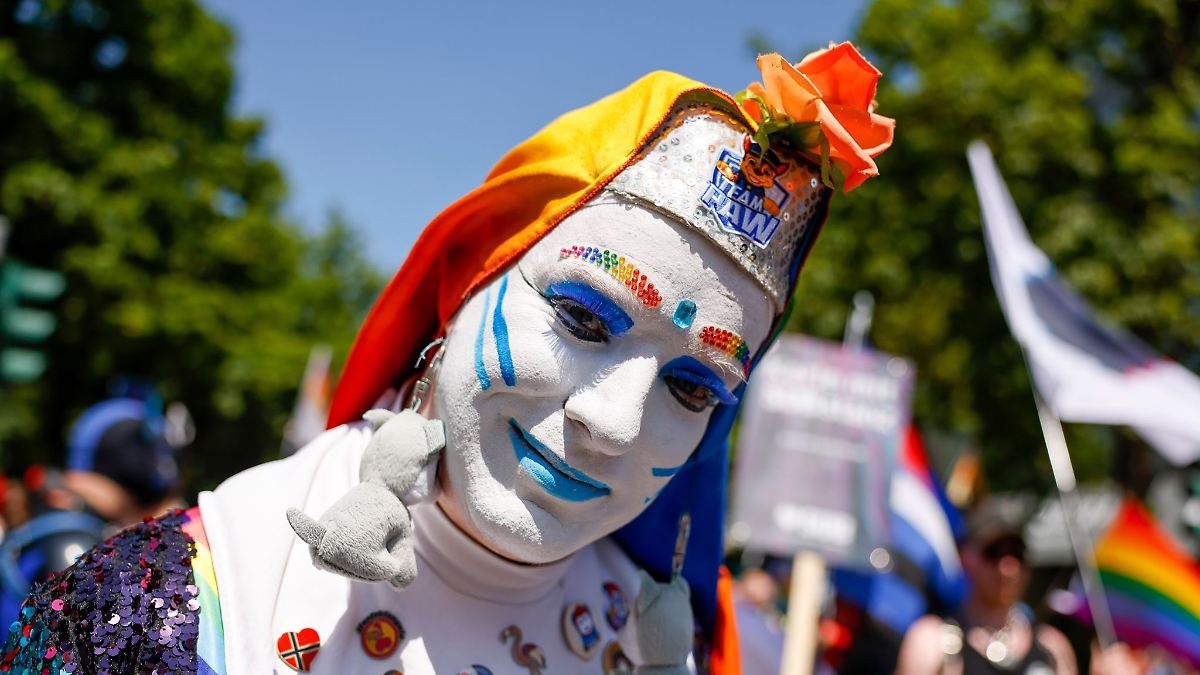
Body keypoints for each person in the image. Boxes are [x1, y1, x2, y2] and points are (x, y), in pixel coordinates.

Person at [2, 44, 894, 674]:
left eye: (693, 386)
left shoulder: (666, 645)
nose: (615, 422)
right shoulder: (174, 604)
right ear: (463, 283)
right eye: (584, 317)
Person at [896, 500, 1077, 675]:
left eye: (1017, 554)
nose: (1008, 569)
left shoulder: (1052, 648)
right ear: (964, 557)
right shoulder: (932, 642)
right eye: (994, 553)